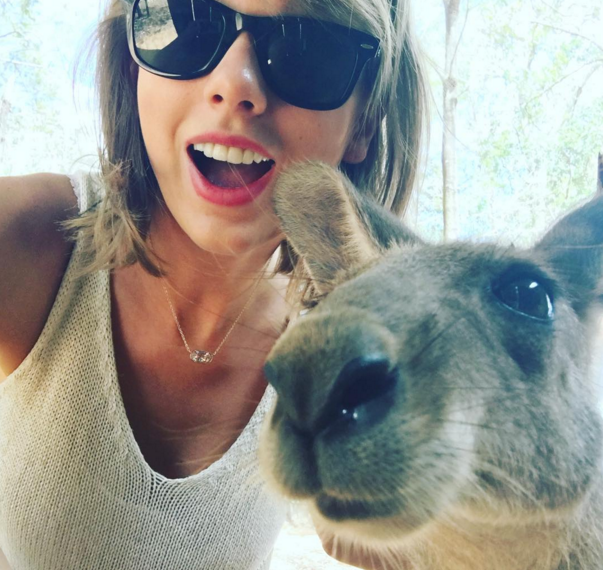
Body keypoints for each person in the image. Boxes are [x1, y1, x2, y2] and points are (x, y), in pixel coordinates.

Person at [0, 0, 427, 568]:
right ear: (132, 66)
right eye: (187, 21)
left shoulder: (351, 360)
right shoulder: (28, 240)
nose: (236, 84)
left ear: (365, 123)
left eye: (307, 48)